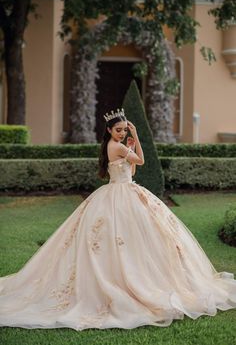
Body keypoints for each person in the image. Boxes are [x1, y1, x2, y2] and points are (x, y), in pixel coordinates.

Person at [0, 108, 235, 331]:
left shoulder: (115, 147)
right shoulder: (118, 147)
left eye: (125, 129)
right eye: (119, 130)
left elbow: (131, 171)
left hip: (123, 192)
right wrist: (136, 138)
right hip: (121, 196)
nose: (122, 133)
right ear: (110, 131)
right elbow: (142, 161)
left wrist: (129, 147)